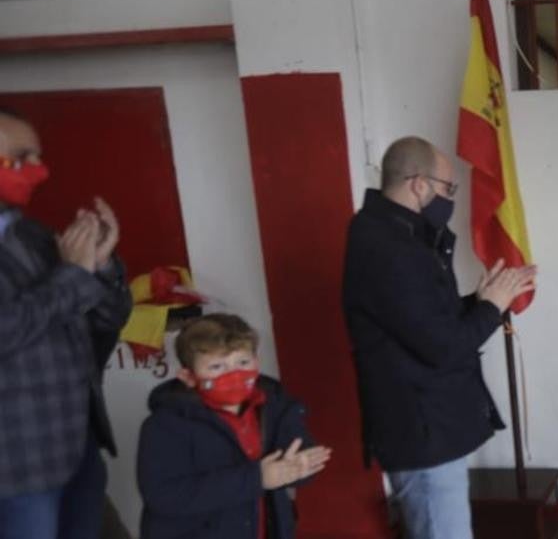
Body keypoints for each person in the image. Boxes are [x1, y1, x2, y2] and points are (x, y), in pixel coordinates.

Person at [342, 136, 535, 539]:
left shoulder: (398, 235)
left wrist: (479, 301)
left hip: (430, 426)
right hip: (420, 433)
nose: (450, 198)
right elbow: (442, 347)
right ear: (418, 184)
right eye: (448, 188)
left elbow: (425, 321)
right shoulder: (389, 247)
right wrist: (490, 308)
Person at [0, 109, 132, 539]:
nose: (39, 171)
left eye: (39, 157)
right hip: (18, 465)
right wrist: (74, 276)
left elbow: (101, 323)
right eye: (21, 159)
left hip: (75, 445)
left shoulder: (33, 236)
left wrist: (104, 266)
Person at [136, 313, 331, 539]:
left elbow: (296, 457)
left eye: (243, 362)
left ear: (256, 361)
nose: (234, 373)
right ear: (188, 376)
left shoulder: (276, 405)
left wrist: (299, 469)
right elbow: (164, 496)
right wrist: (257, 479)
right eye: (217, 366)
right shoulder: (165, 425)